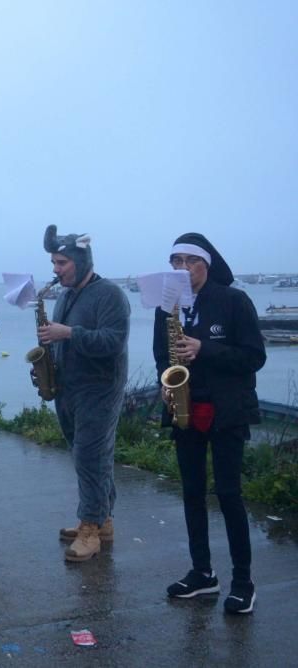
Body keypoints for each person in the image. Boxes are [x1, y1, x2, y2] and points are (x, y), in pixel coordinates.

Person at [155, 233, 265, 614]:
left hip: (226, 410)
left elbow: (254, 356)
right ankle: (203, 573)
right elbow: (160, 354)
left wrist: (205, 348)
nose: (181, 269)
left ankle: (243, 582)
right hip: (185, 407)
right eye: (175, 262)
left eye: (189, 261)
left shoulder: (234, 300)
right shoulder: (166, 304)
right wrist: (163, 383)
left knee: (230, 495)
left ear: (208, 264)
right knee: (191, 492)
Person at [36, 225, 129, 562]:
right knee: (86, 456)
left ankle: (90, 529)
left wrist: (69, 333)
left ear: (81, 260)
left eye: (61, 263)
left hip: (100, 388)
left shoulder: (110, 295)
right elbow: (58, 340)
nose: (56, 270)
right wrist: (46, 367)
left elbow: (113, 342)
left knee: (91, 456)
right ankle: (102, 519)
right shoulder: (64, 296)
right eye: (54, 263)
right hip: (68, 387)